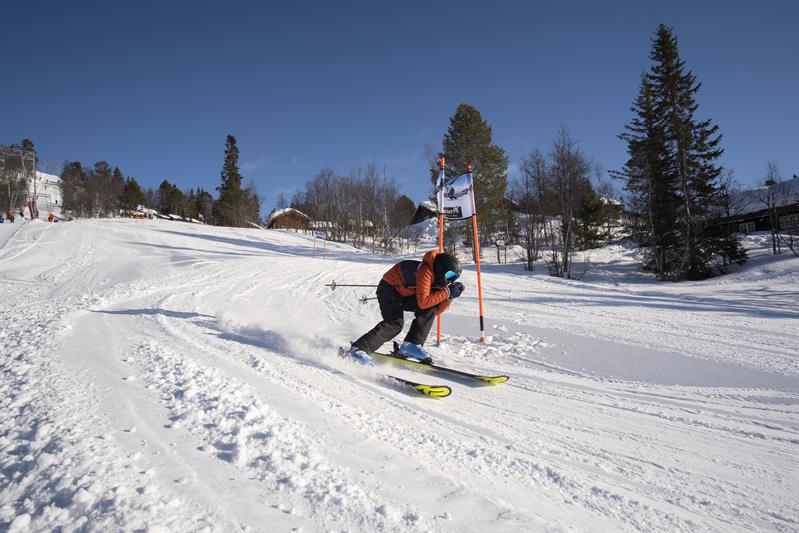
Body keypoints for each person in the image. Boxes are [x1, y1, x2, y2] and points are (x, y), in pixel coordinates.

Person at [344, 251, 465, 366]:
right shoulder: (426, 270)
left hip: (404, 295)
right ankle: (358, 350)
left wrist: (449, 297)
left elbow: (434, 311)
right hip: (388, 289)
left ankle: (411, 345)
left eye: (454, 278)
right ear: (440, 268)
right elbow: (423, 303)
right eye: (450, 275)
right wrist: (447, 292)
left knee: (432, 306)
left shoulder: (439, 281)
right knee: (394, 324)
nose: (450, 280)